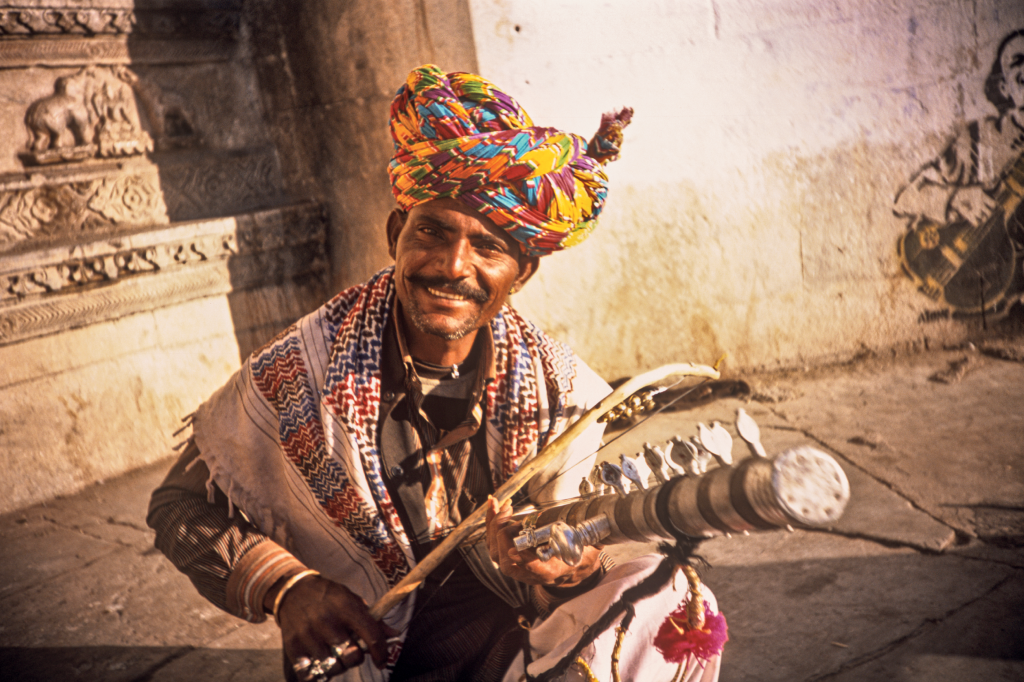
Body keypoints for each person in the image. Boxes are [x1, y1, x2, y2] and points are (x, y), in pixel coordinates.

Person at [148, 64, 722, 682]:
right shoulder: (299, 371)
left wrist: (570, 571)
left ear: (521, 272)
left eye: (489, 247)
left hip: (516, 647)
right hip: (373, 658)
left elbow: (581, 546)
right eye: (433, 232)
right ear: (398, 233)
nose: (453, 266)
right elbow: (180, 507)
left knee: (671, 597)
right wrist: (288, 589)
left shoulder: (561, 389)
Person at [893, 29, 1024, 313]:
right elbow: (906, 199)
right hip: (978, 290)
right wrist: (954, 199)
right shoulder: (979, 140)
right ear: (1004, 89)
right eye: (1018, 64)